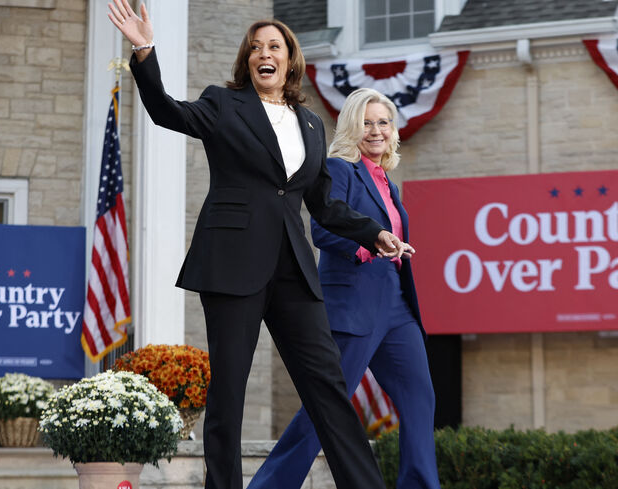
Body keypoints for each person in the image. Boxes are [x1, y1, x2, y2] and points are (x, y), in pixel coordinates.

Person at [108, 2, 413, 489]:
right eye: (255, 48)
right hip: (232, 263)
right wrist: (144, 49)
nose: (262, 54)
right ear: (247, 60)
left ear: (290, 59)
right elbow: (166, 111)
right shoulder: (224, 105)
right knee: (229, 394)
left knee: (328, 387)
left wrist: (372, 232)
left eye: (273, 46)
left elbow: (324, 204)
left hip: (292, 267)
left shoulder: (311, 124)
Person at [247, 88, 440, 489]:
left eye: (383, 122)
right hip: (354, 305)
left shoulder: (387, 181)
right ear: (352, 126)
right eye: (366, 123)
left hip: (397, 307)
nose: (376, 131)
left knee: (420, 398)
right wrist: (372, 242)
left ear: (393, 130)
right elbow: (322, 228)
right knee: (326, 408)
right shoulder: (340, 168)